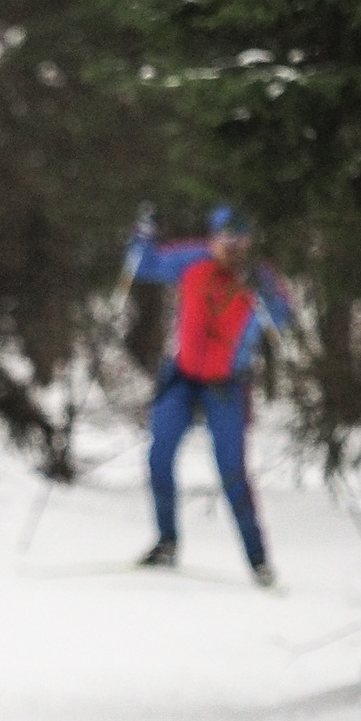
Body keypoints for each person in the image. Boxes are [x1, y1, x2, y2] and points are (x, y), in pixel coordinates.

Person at [125, 206, 293, 586]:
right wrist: (141, 234)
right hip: (182, 378)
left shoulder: (258, 277)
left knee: (232, 471)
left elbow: (282, 318)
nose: (230, 249)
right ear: (213, 238)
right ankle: (166, 542)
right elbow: (142, 265)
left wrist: (263, 292)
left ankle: (258, 560)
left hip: (226, 385)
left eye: (238, 242)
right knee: (158, 455)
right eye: (223, 240)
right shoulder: (192, 260)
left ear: (248, 242)